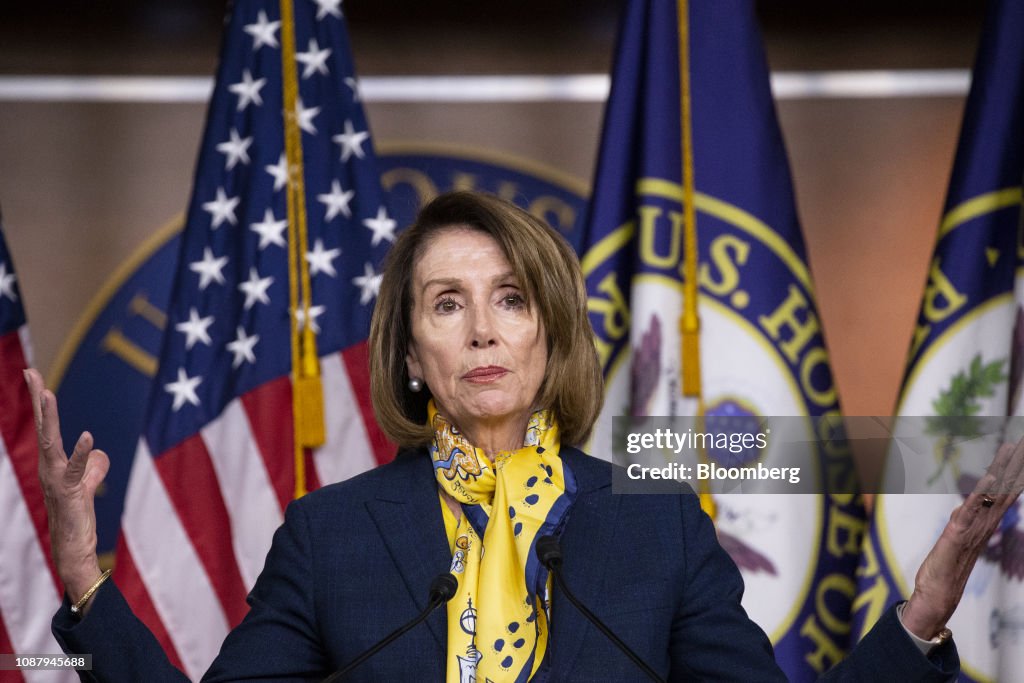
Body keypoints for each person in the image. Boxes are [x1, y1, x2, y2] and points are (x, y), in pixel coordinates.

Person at [26, 191, 1024, 681]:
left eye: (509, 298)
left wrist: (922, 611)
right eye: (446, 303)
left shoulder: (658, 523)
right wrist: (84, 581)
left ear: (546, 329)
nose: (482, 328)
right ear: (413, 353)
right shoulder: (329, 534)